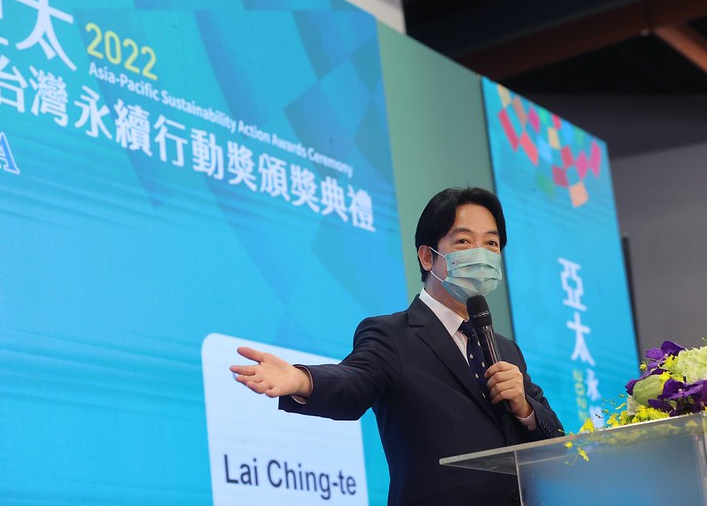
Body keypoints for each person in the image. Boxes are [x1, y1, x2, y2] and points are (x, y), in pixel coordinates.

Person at [231, 187, 563, 505]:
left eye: (491, 243)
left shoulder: (507, 350)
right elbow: (355, 381)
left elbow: (558, 443)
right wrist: (303, 380)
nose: (481, 253)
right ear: (427, 257)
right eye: (464, 240)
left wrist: (525, 410)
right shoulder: (392, 335)